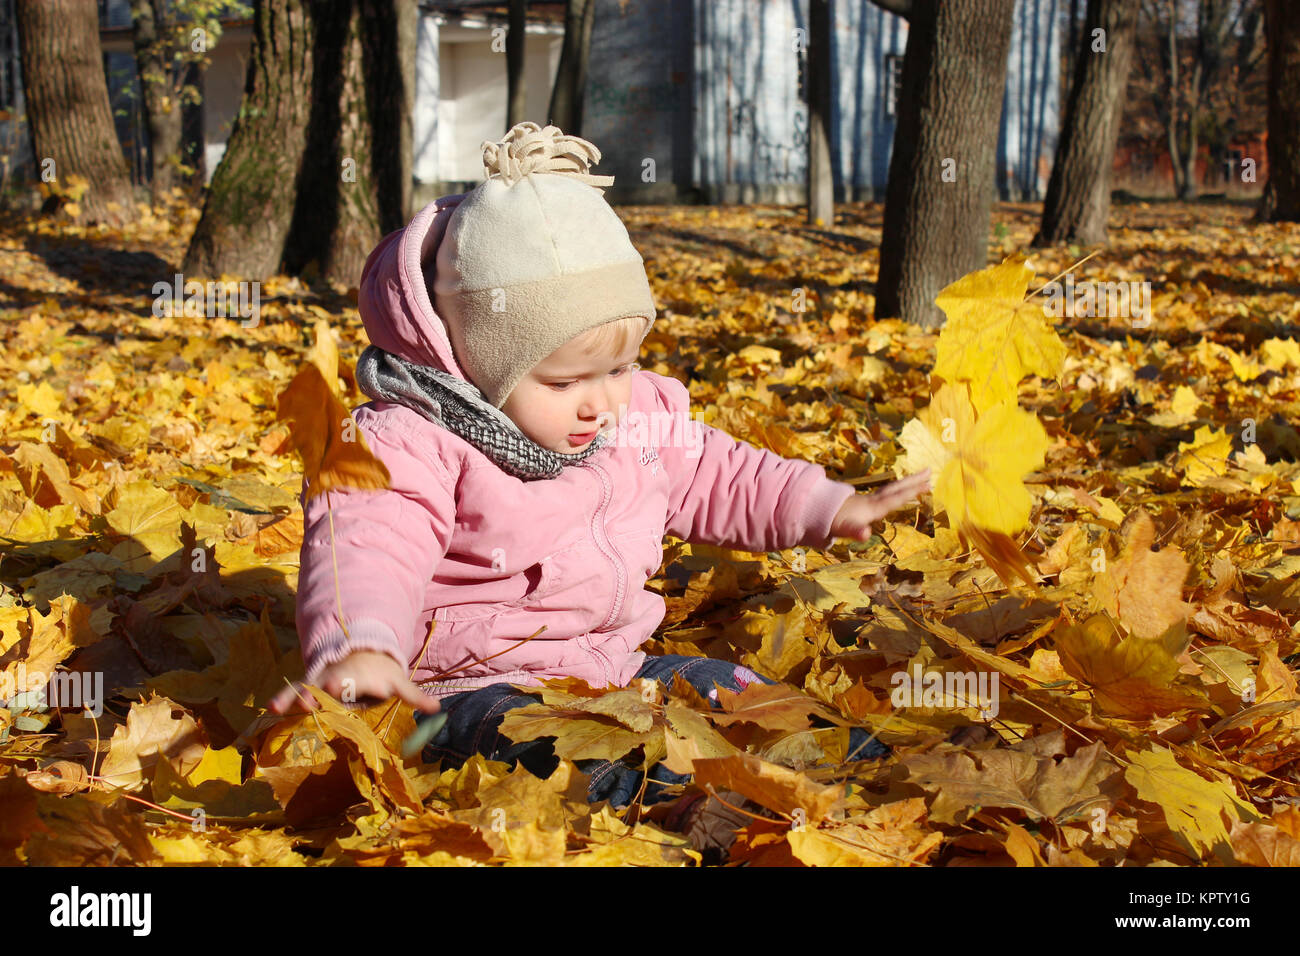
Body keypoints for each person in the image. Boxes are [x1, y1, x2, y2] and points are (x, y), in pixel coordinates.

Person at [269, 122, 931, 860]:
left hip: (610, 668)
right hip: (461, 690)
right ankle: (678, 818)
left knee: (734, 690)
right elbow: (366, 542)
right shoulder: (409, 439)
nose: (600, 403)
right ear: (474, 365)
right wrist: (361, 645)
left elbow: (714, 470)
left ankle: (847, 770)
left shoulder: (629, 415)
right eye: (562, 381)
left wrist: (825, 505)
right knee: (555, 753)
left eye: (618, 369)